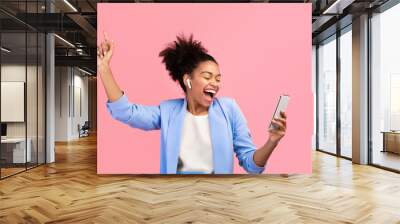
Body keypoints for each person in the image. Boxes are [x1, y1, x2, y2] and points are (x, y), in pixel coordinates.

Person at [97, 33, 287, 174]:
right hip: (175, 198)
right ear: (188, 80)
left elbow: (252, 166)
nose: (215, 83)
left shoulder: (229, 109)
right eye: (207, 76)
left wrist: (272, 142)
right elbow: (127, 112)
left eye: (218, 78)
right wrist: (104, 70)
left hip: (219, 201)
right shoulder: (168, 111)